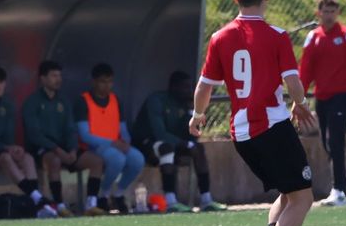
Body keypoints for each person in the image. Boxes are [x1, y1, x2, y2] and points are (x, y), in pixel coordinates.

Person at [191, 0, 317, 226]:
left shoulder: (220, 37)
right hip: (272, 126)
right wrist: (300, 103)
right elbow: (292, 80)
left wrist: (197, 115)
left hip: (242, 134)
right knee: (303, 197)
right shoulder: (276, 36)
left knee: (288, 195)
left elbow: (205, 86)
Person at [297, 0, 346, 207]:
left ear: (337, 13)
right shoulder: (313, 37)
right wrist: (299, 99)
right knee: (327, 144)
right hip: (322, 97)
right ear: (318, 13)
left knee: (335, 141)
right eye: (325, 11)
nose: (329, 16)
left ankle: (339, 190)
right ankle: (340, 189)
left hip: (342, 96)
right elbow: (305, 71)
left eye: (332, 11)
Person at [0, 65, 57, 219]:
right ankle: (37, 199)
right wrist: (5, 148)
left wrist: (13, 148)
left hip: (3, 148)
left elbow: (9, 135)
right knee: (4, 158)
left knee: (27, 158)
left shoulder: (8, 105)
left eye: (1, 82)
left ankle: (35, 202)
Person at [132, 70, 222, 212]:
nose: (189, 91)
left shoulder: (184, 104)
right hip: (146, 145)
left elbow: (191, 136)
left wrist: (192, 112)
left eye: (191, 87)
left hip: (174, 145)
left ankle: (206, 199)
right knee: (166, 147)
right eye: (185, 87)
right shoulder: (156, 100)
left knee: (198, 149)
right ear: (173, 87)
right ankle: (170, 201)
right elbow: (159, 133)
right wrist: (185, 144)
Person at [22, 60, 97, 217]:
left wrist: (73, 149)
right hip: (44, 149)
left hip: (65, 149)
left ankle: (92, 203)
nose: (58, 79)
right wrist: (57, 150)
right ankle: (60, 205)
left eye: (59, 75)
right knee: (55, 161)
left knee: (96, 161)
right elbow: (34, 134)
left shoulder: (63, 101)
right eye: (54, 76)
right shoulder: (32, 102)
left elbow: (70, 129)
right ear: (42, 79)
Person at [77, 63, 145, 214]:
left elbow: (122, 128)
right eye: (102, 82)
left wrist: (126, 141)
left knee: (137, 159)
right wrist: (112, 143)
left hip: (115, 145)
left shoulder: (115, 100)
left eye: (109, 82)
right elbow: (84, 135)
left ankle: (119, 193)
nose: (106, 86)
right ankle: (104, 194)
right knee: (117, 159)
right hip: (94, 147)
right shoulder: (83, 101)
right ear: (94, 82)